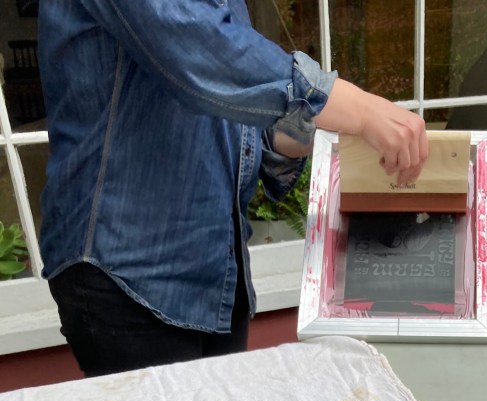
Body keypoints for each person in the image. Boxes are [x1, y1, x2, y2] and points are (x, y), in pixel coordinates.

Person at [37, 0, 428, 377]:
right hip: (126, 269)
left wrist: (315, 134)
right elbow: (202, 51)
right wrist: (359, 110)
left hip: (215, 274)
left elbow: (229, 124)